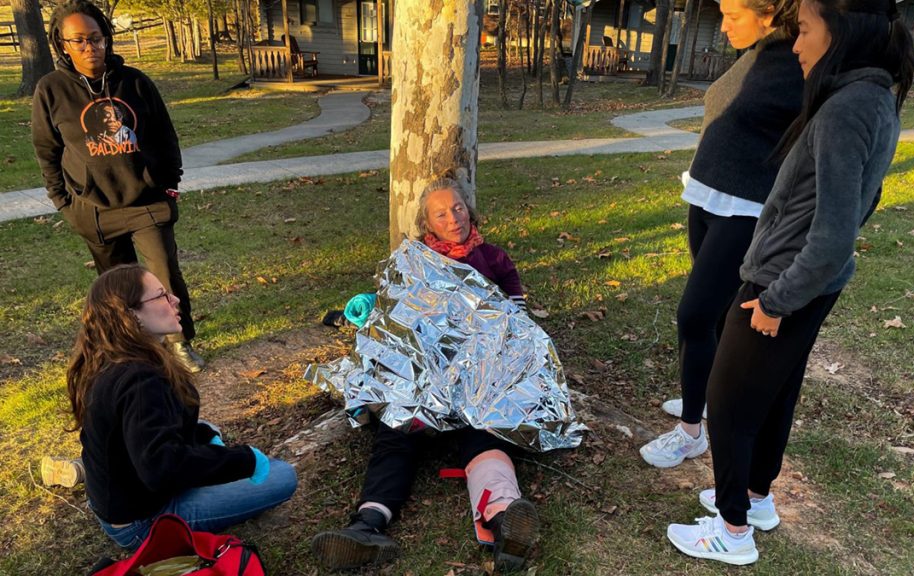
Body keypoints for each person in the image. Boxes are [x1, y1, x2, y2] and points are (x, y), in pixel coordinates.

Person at [666, 0, 914, 565]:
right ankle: (756, 500)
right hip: (808, 282)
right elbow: (860, 202)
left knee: (727, 404)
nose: (795, 45)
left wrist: (776, 298)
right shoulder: (874, 97)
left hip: (783, 281)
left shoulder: (846, 109)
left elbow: (832, 235)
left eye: (803, 32)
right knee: (775, 394)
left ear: (840, 32)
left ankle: (731, 531)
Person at [311, 179, 538, 573]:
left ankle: (504, 521)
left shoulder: (495, 260)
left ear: (470, 209)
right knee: (397, 427)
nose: (453, 218)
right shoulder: (412, 260)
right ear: (427, 222)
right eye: (441, 213)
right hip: (423, 373)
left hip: (478, 372)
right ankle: (368, 524)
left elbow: (517, 321)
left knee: (483, 427)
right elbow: (395, 315)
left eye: (459, 208)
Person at [640, 0, 804, 469]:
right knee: (708, 320)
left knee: (694, 316)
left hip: (746, 209)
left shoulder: (800, 59)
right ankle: (704, 398)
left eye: (733, 15)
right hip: (709, 198)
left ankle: (692, 432)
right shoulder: (757, 51)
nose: (724, 25)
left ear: (769, 12)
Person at [67, 264, 297, 550]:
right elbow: (162, 469)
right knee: (282, 475)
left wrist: (205, 444)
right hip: (143, 521)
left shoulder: (114, 356)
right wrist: (245, 460)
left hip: (119, 495)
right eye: (161, 296)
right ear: (131, 315)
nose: (175, 300)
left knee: (207, 430)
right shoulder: (139, 379)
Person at [32, 0, 204, 373]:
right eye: (78, 40)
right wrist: (66, 204)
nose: (89, 47)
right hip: (94, 210)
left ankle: (178, 344)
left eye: (95, 38)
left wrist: (169, 186)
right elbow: (47, 152)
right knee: (117, 289)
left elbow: (164, 135)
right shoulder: (51, 89)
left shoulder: (136, 82)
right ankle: (133, 350)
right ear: (62, 44)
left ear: (106, 38)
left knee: (164, 275)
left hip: (146, 202)